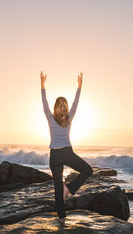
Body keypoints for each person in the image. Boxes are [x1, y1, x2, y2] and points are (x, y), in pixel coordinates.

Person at [40, 71, 93, 223]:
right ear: (66, 107)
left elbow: (44, 103)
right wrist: (80, 85)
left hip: (54, 156)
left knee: (57, 187)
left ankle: (62, 218)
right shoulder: (69, 117)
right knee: (87, 170)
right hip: (67, 153)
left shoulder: (50, 117)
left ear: (56, 107)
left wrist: (42, 83)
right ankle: (69, 189)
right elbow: (77, 101)